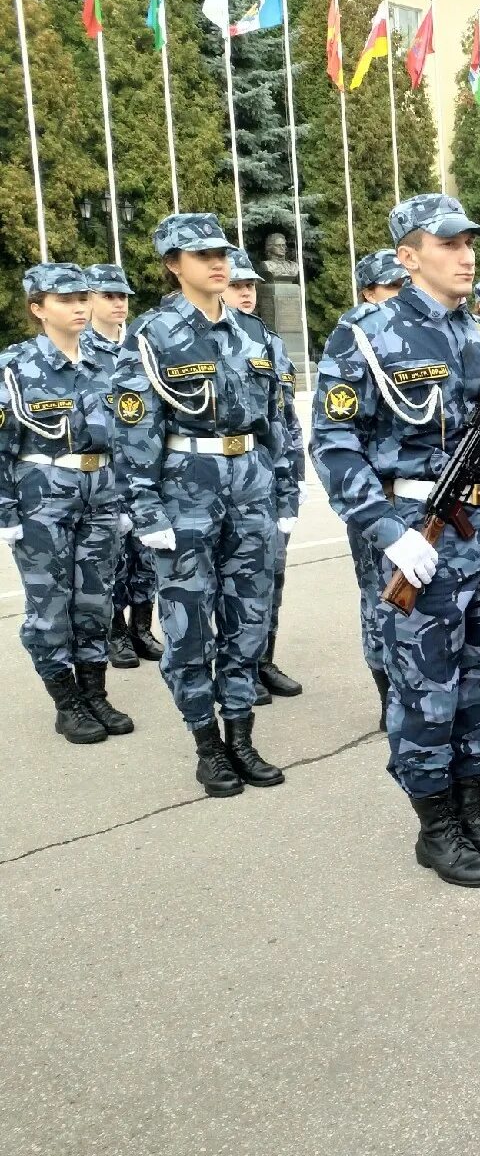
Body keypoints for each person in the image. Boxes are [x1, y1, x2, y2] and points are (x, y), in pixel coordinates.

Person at [312, 195, 480, 888]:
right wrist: (386, 530)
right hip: (422, 533)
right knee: (424, 688)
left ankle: (471, 808)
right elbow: (333, 443)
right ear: (408, 256)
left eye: (469, 241)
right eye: (446, 244)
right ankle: (435, 825)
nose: (465, 254)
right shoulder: (363, 334)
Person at [115, 215, 294, 794]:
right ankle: (206, 743)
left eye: (220, 253)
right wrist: (146, 509)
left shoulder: (256, 336)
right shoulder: (152, 335)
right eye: (199, 256)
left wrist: (284, 492)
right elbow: (134, 430)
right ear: (173, 265)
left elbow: (279, 424)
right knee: (189, 625)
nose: (217, 264)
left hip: (251, 486)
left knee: (249, 619)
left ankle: (240, 735)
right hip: (184, 488)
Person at [0, 264, 134, 744]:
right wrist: (5, 512)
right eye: (64, 299)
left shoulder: (109, 362)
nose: (78, 306)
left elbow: (125, 436)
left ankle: (94, 691)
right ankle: (66, 700)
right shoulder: (14, 366)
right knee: (49, 605)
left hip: (99, 492)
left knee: (96, 599)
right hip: (42, 496)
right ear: (38, 309)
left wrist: (124, 498)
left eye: (82, 297)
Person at [222, 248, 305, 705]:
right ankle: (237, 667)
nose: (247, 292)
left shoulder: (269, 342)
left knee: (270, 577)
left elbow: (287, 420)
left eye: (250, 285)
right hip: (229, 480)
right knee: (233, 583)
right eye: (238, 285)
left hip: (269, 478)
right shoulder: (212, 344)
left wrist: (293, 482)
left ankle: (262, 658)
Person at [340, 249, 410, 730]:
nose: (400, 297)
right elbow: (340, 433)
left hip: (420, 494)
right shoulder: (355, 338)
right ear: (368, 292)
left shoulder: (421, 334)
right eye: (391, 288)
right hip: (376, 495)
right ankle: (386, 690)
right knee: (378, 596)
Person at [82, 263, 163, 671]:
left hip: (142, 466)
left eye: (123, 296)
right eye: (109, 295)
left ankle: (141, 627)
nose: (118, 303)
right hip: (104, 471)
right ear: (90, 299)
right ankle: (114, 631)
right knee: (111, 557)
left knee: (147, 552)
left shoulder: (141, 344)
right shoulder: (81, 351)